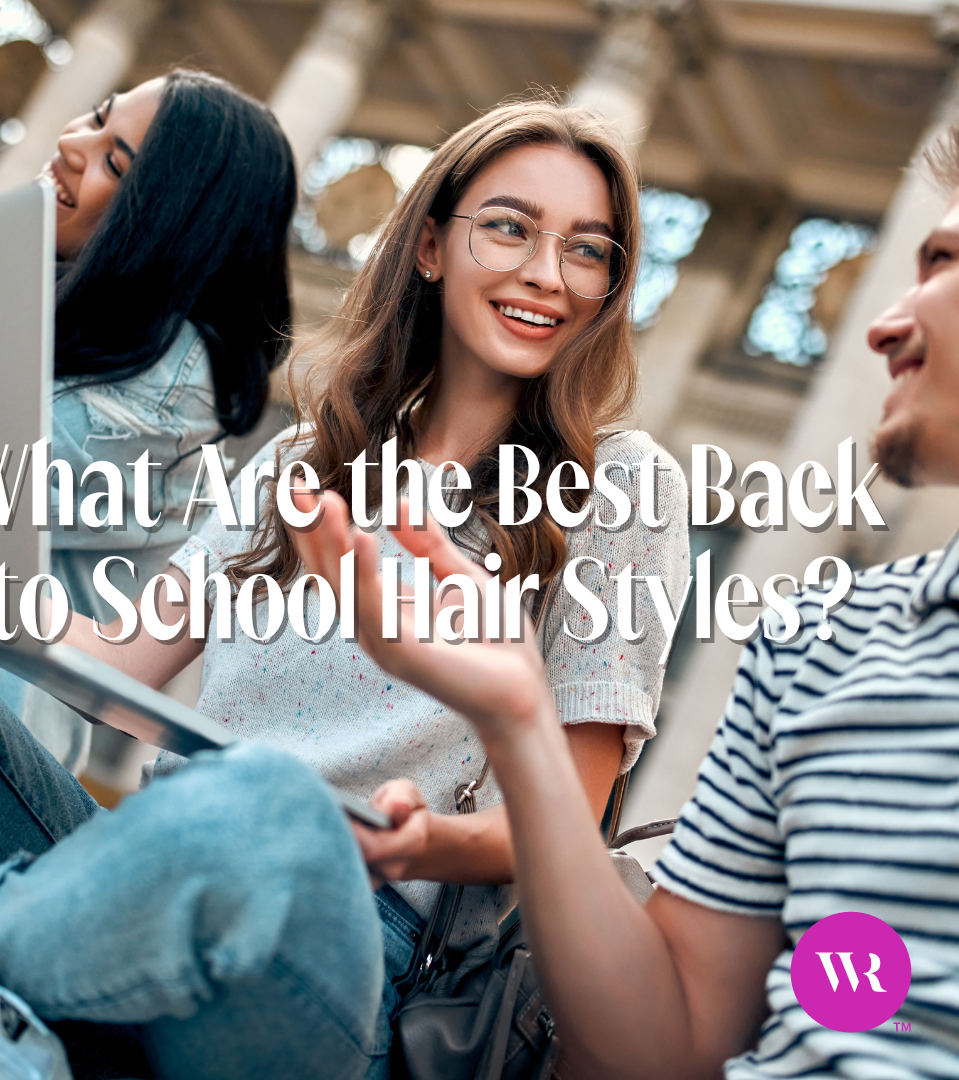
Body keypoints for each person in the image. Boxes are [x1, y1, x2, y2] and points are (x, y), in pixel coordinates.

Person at [0, 98, 687, 1078]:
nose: (546, 276)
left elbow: (554, 823)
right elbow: (110, 663)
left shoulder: (621, 486)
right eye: (511, 228)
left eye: (589, 251)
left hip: (351, 947)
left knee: (269, 800)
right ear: (429, 246)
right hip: (140, 862)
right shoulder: (305, 462)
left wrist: (420, 844)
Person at [292, 128, 959, 1078]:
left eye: (942, 266)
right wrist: (521, 720)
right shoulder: (817, 644)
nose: (882, 327)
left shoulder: (623, 488)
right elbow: (668, 1048)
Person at [0, 67, 296, 772]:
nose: (70, 143)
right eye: (93, 117)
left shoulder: (171, 382)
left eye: (115, 159)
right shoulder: (57, 298)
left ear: (175, 218)